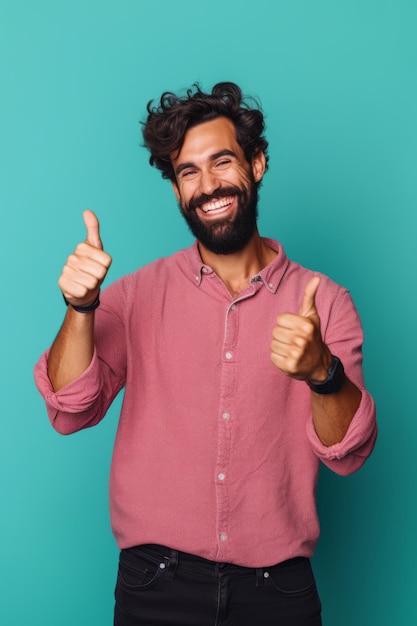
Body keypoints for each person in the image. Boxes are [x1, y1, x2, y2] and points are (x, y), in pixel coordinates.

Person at [34, 82, 377, 625]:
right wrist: (80, 307)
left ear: (257, 163)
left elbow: (350, 454)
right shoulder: (136, 295)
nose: (207, 185)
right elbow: (70, 410)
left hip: (278, 592)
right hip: (156, 583)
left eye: (222, 161)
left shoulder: (326, 302)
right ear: (175, 190)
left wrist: (322, 373)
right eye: (188, 172)